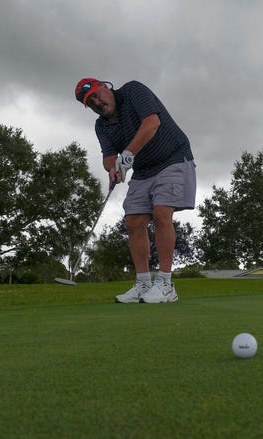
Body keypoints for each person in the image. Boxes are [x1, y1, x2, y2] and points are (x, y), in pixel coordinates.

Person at [74, 78, 196, 303]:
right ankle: (143, 283)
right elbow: (109, 156)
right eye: (90, 102)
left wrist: (128, 154)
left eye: (96, 94)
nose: (96, 102)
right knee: (133, 221)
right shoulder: (101, 126)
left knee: (161, 214)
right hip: (142, 169)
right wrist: (113, 169)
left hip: (173, 157)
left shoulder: (133, 91)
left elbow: (152, 123)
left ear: (105, 86)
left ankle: (166, 284)